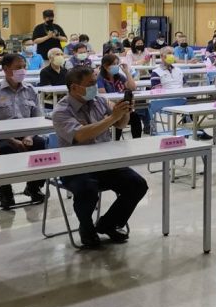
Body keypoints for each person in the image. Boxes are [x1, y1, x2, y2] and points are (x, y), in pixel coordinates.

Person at [51, 67, 149, 248]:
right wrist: (112, 118)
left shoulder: (99, 101)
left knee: (137, 184)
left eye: (95, 83)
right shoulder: (61, 111)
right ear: (74, 88)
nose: (94, 88)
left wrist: (124, 111)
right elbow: (81, 135)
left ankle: (108, 224)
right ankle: (86, 228)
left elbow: (120, 125)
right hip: (75, 166)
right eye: (90, 84)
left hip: (104, 162)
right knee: (87, 189)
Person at [0, 53, 48, 209]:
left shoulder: (30, 90)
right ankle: (5, 190)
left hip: (27, 134)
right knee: (5, 149)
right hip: (1, 137)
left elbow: (38, 118)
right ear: (5, 69)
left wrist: (29, 136)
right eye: (18, 67)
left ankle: (33, 186)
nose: (22, 70)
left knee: (40, 145)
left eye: (24, 67)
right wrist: (11, 140)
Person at [96, 53, 144, 140]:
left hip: (122, 107)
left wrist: (127, 72)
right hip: (109, 109)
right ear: (106, 66)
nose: (116, 66)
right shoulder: (100, 78)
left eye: (117, 64)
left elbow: (132, 87)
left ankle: (137, 140)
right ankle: (116, 141)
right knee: (118, 117)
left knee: (135, 117)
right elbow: (103, 95)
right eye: (113, 64)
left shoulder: (119, 77)